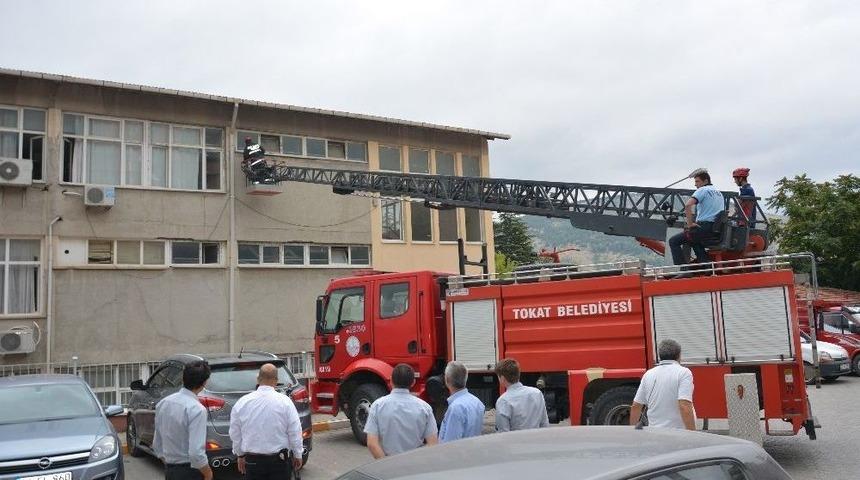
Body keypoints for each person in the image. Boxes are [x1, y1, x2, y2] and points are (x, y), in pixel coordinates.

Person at [229, 363, 303, 479]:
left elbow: (235, 433)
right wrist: (298, 454)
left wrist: (240, 455)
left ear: (258, 379)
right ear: (276, 380)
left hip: (253, 462)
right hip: (279, 462)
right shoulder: (285, 402)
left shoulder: (242, 403)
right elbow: (294, 431)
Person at [153, 360, 213, 480]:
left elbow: (157, 445)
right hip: (190, 471)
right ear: (205, 382)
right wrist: (208, 474)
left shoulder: (163, 403)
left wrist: (172, 465)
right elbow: (196, 453)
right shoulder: (197, 409)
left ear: (183, 378)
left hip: (170, 470)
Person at [364, 363, 438, 458]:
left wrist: (385, 463)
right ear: (413, 382)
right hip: (415, 465)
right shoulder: (424, 408)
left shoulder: (377, 406)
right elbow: (433, 444)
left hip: (388, 465)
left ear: (391, 380)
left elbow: (372, 443)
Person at [629, 339, 695, 430]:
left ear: (660, 356)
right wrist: (693, 434)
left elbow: (636, 406)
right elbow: (684, 405)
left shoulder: (648, 374)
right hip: (678, 435)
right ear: (679, 355)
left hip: (655, 434)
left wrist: (632, 432)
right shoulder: (683, 373)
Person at [668, 170, 725, 265]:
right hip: (714, 229)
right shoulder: (719, 193)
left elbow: (688, 205)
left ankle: (683, 270)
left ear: (705, 181)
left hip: (703, 227)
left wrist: (690, 224)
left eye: (697, 181)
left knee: (673, 241)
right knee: (694, 240)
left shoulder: (702, 190)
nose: (695, 185)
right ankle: (706, 265)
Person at [494, 358, 549, 432]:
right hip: (537, 441)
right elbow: (544, 423)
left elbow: (503, 433)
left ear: (502, 378)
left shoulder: (503, 401)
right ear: (518, 374)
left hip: (517, 442)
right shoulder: (537, 393)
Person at [438, 361, 485, 443]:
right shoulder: (477, 402)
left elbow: (451, 444)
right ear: (466, 379)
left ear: (447, 380)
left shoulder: (456, 408)